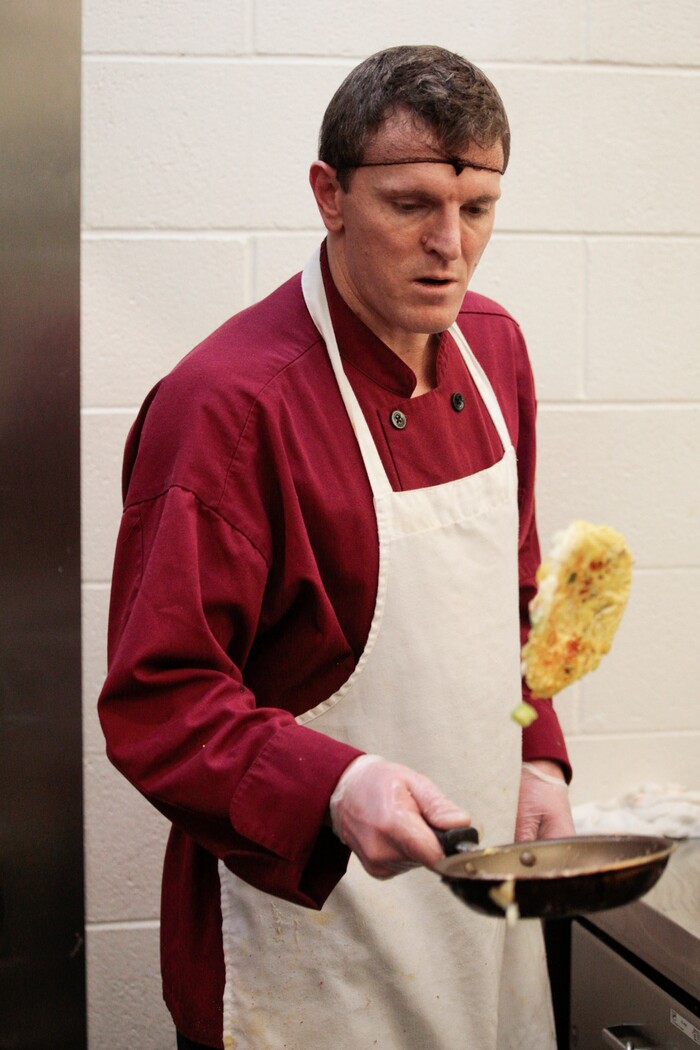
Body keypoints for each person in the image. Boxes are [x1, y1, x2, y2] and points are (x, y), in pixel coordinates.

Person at [99, 44, 574, 1050]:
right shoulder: (226, 408)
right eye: (410, 206)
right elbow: (159, 699)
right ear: (330, 194)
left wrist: (539, 756)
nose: (450, 246)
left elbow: (516, 596)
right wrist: (335, 784)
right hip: (310, 937)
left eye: (478, 208)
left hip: (480, 916)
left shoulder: (496, 349)